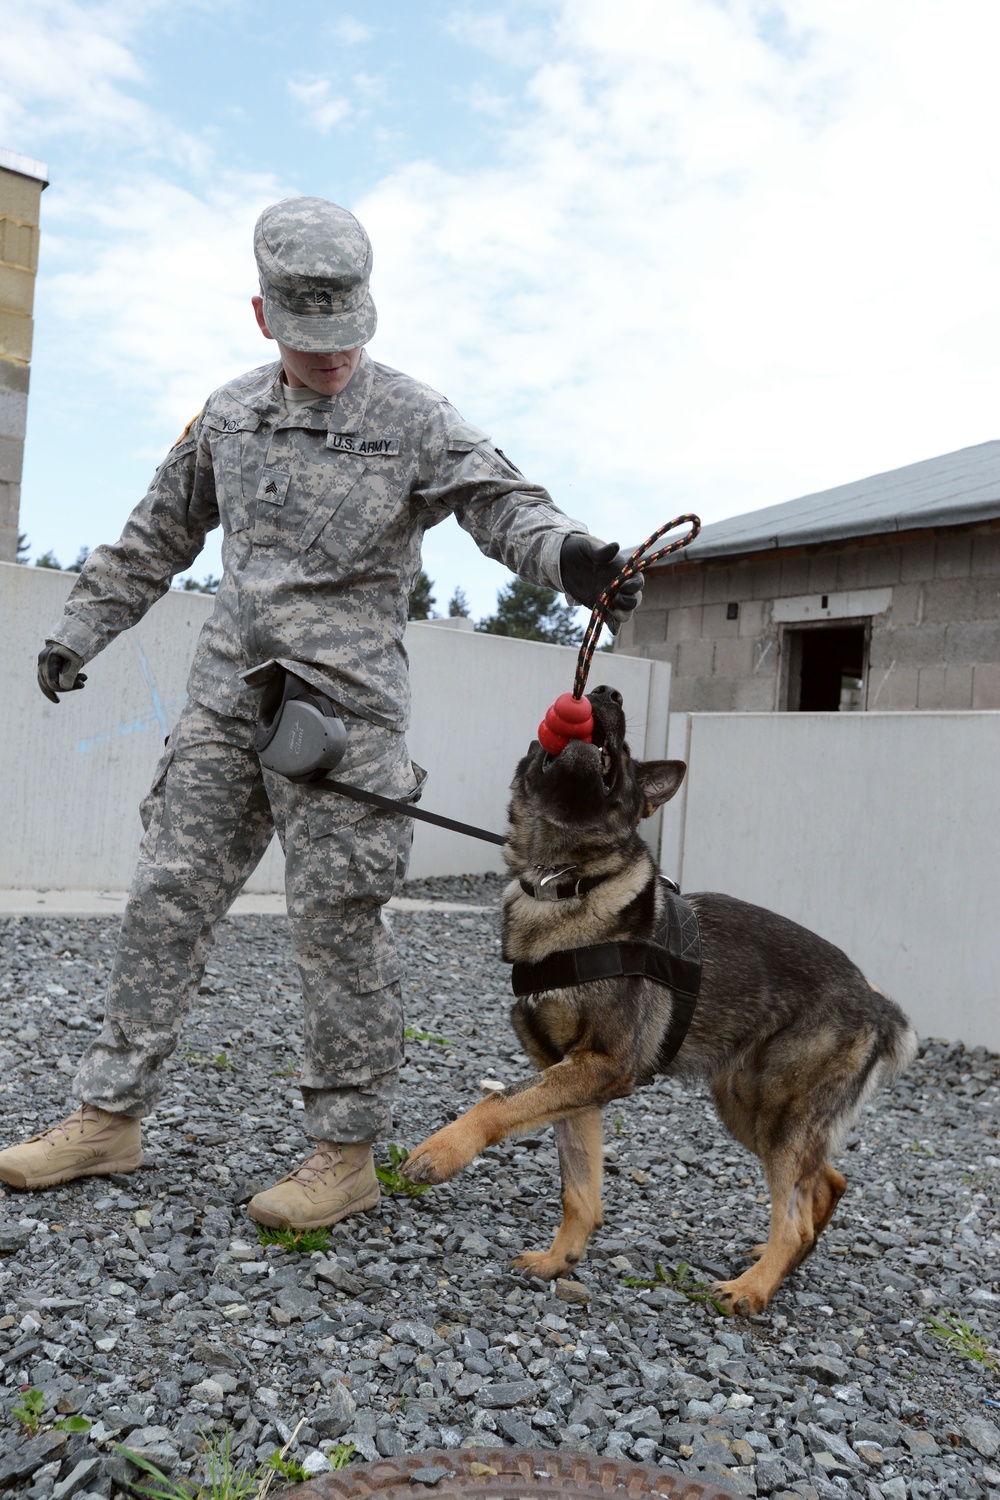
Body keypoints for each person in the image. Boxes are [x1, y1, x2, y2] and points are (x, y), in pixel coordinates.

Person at [0, 197, 641, 1229]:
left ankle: (342, 1152)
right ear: (265, 319)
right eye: (311, 339)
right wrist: (79, 630)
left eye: (348, 334)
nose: (334, 356)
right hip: (229, 699)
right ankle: (106, 1116)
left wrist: (573, 559)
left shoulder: (415, 418)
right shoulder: (228, 417)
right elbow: (154, 534)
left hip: (346, 716)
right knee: (166, 896)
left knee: (340, 925)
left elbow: (501, 503)